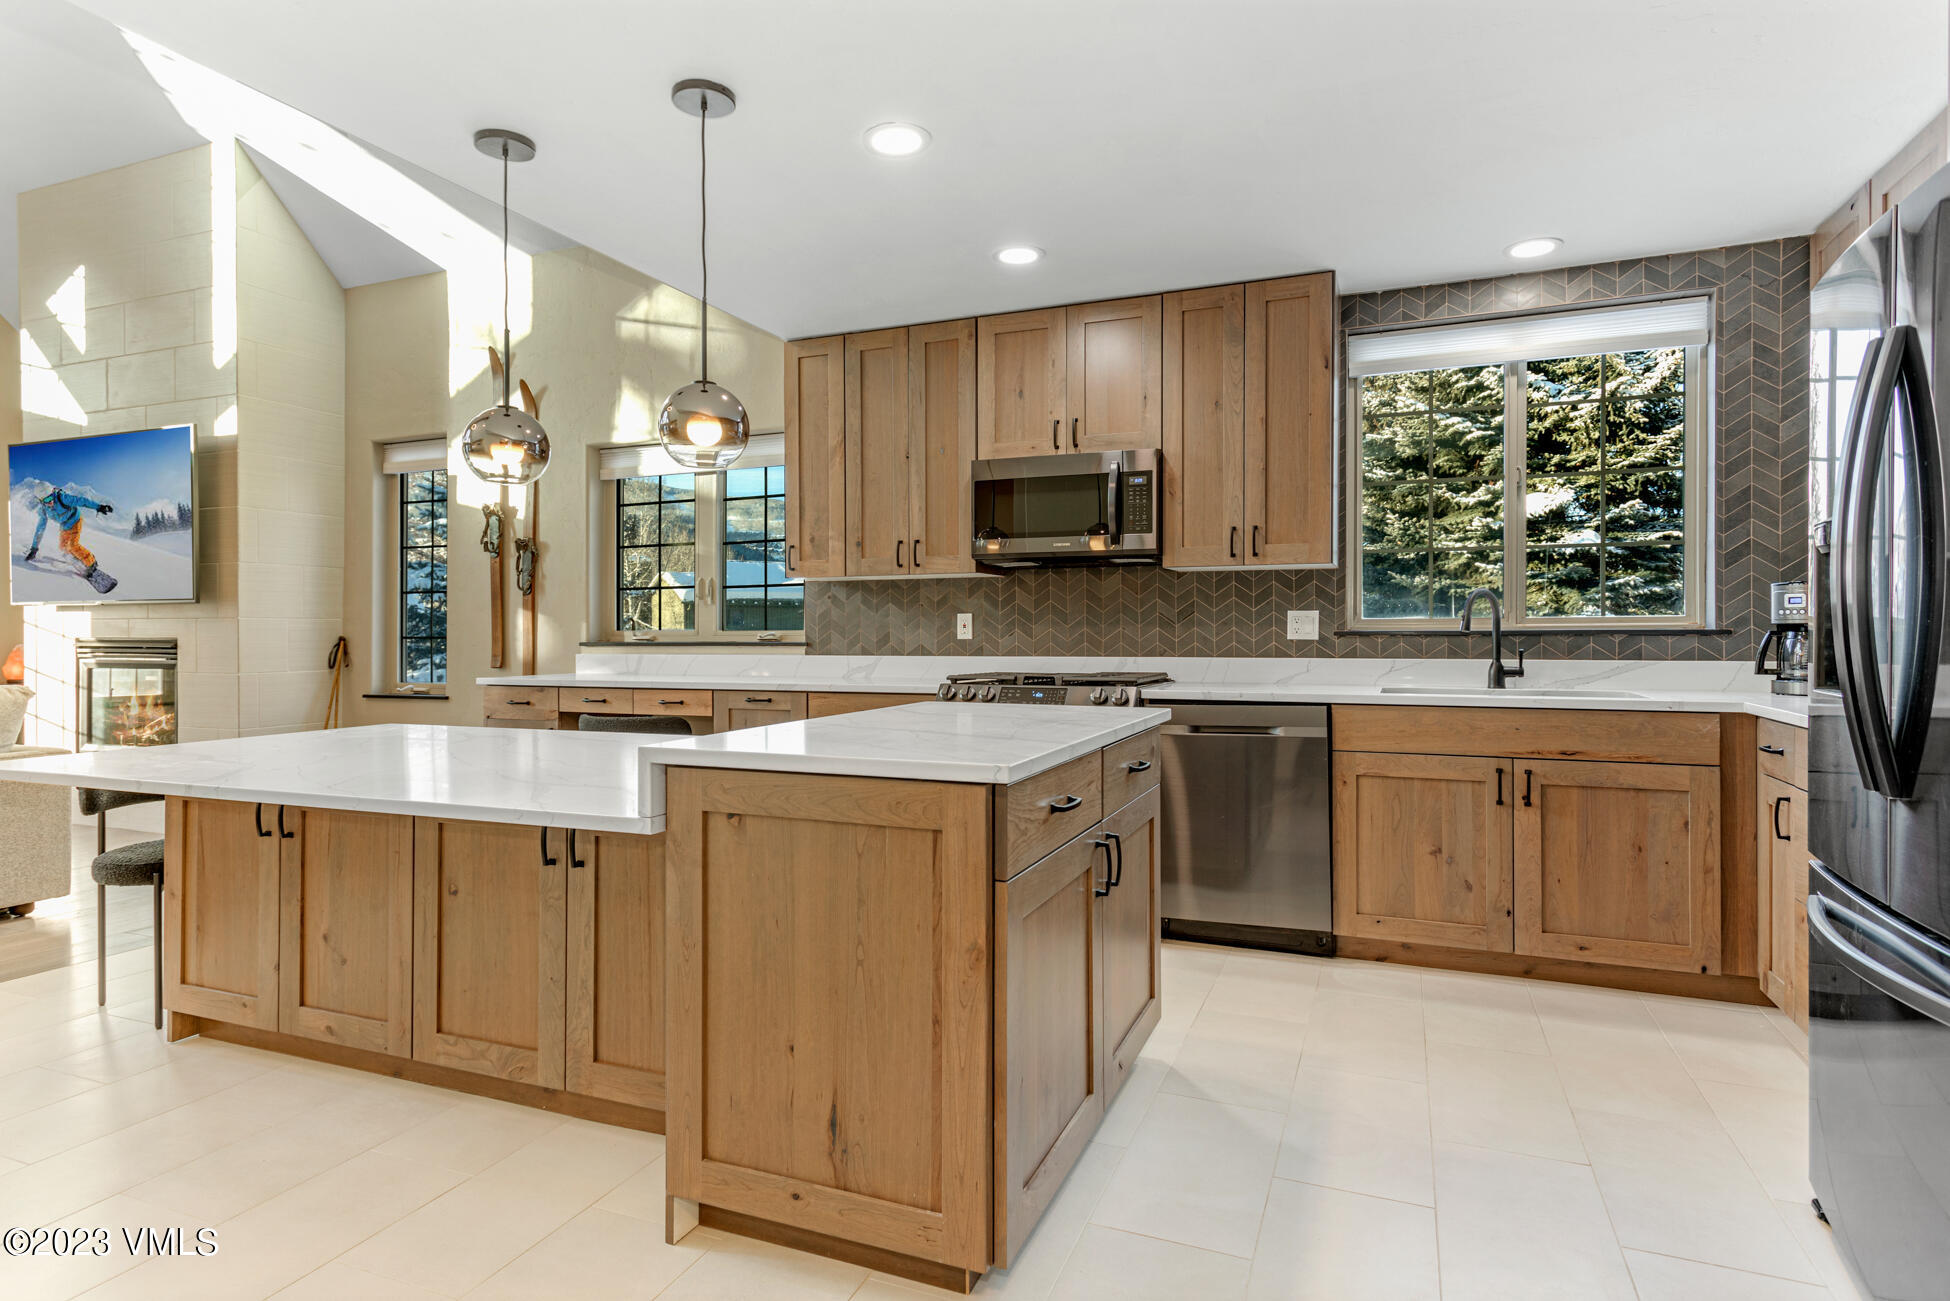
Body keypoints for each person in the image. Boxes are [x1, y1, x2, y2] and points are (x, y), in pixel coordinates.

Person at [23, 487, 111, 579]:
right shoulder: (44, 510)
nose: (50, 501)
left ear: (53, 493)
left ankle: (91, 563)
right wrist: (34, 548)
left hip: (75, 521)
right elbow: (40, 529)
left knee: (73, 545)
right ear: (41, 501)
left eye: (51, 497)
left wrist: (99, 507)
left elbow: (82, 501)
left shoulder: (62, 498)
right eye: (46, 500)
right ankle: (75, 557)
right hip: (64, 526)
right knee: (63, 547)